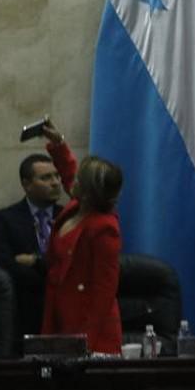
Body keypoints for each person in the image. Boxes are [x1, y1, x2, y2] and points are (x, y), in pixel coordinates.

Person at [38, 122, 124, 355]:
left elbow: (104, 292)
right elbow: (69, 171)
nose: (70, 181)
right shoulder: (78, 206)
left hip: (89, 329)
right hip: (59, 313)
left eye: (79, 181)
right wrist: (58, 144)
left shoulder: (104, 228)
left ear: (87, 191)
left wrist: (86, 343)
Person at [0, 154, 65, 338]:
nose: (55, 183)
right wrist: (52, 273)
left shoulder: (68, 217)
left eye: (57, 176)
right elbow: (3, 265)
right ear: (27, 184)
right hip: (25, 310)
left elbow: (75, 265)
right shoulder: (5, 219)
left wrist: (35, 262)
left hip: (65, 308)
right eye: (46, 178)